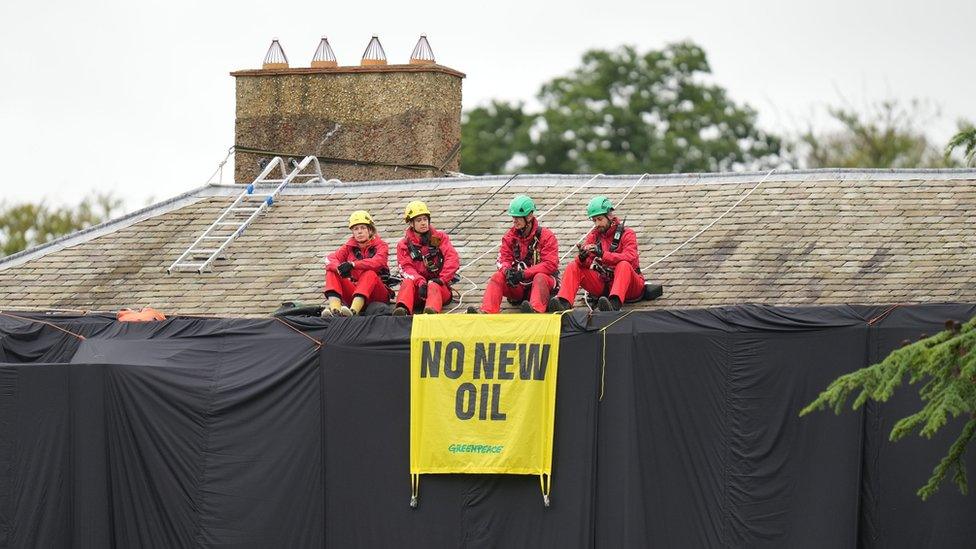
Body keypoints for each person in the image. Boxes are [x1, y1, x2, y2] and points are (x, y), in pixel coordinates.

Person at [547, 196, 645, 312]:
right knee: (574, 265)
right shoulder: (594, 236)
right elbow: (585, 263)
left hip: (631, 286)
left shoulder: (627, 233)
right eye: (594, 220)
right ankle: (564, 303)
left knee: (623, 264)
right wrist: (582, 258)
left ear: (609, 216)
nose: (597, 224)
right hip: (606, 284)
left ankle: (614, 304)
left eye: (599, 219)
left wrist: (603, 254)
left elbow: (630, 258)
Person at [468, 195, 558, 314]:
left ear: (529, 216)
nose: (515, 220)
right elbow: (502, 260)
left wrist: (524, 274)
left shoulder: (546, 236)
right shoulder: (509, 237)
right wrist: (507, 271)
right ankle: (487, 312)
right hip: (519, 287)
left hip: (543, 285)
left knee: (540, 277)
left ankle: (535, 311)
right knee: (497, 276)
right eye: (513, 217)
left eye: (518, 217)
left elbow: (550, 264)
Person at [393, 201, 459, 315]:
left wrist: (442, 279)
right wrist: (420, 282)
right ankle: (401, 311)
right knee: (407, 282)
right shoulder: (404, 245)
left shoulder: (438, 238)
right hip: (418, 290)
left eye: (425, 219)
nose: (423, 223)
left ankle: (430, 312)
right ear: (411, 224)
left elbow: (452, 259)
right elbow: (405, 268)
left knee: (433, 285)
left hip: (439, 287)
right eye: (419, 220)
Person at [322, 210, 393, 317]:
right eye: (356, 229)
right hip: (354, 293)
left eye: (363, 228)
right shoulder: (347, 248)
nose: (359, 232)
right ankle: (335, 310)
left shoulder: (381, 246)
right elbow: (329, 259)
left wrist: (353, 265)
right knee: (331, 271)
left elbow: (378, 262)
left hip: (377, 295)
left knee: (369, 273)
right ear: (352, 232)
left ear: (370, 230)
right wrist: (339, 268)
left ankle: (354, 312)